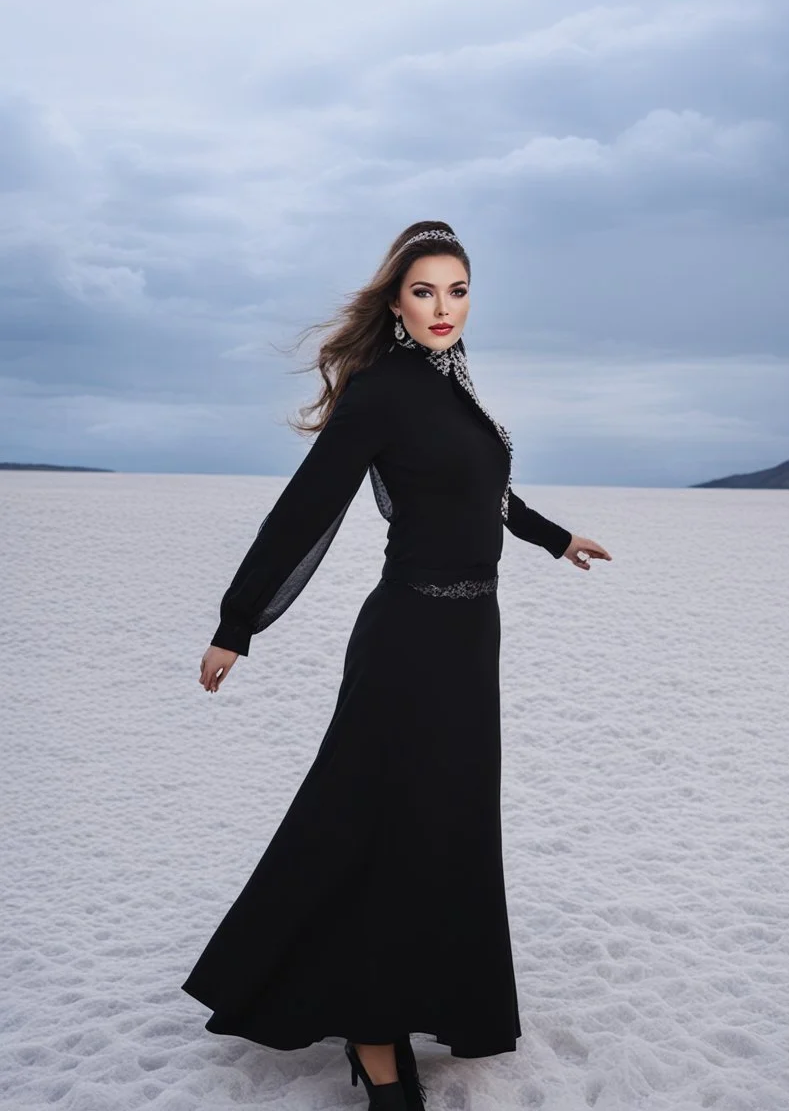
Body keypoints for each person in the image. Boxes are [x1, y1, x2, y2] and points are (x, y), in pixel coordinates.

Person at [181, 220, 612, 1110]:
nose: (442, 307)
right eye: (424, 291)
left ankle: (418, 993)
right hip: (407, 645)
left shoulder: (454, 387)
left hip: (470, 642)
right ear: (396, 301)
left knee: (442, 828)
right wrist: (238, 624)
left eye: (457, 290)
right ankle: (371, 1037)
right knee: (374, 824)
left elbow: (484, 492)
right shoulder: (380, 392)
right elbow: (303, 511)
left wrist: (553, 537)